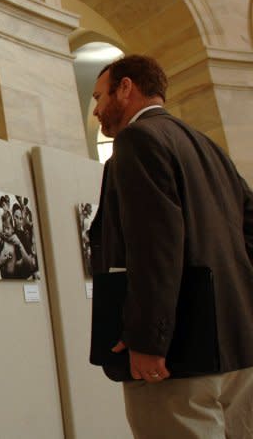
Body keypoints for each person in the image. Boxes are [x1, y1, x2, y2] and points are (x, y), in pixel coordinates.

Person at [88, 54, 253, 437]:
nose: (96, 110)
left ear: (126, 87)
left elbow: (153, 245)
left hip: (179, 357)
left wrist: (148, 338)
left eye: (99, 97)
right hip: (238, 346)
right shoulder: (209, 146)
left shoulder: (138, 139)